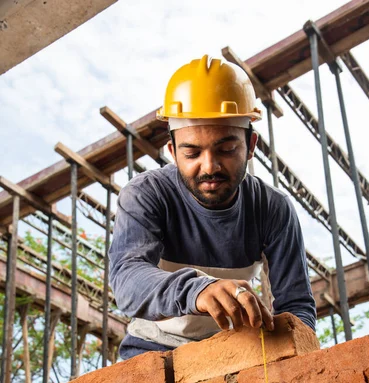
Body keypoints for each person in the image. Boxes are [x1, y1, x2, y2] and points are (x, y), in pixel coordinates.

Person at [109, 55, 316, 359]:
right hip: (152, 352)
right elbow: (127, 279)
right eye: (191, 153)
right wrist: (198, 290)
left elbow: (297, 307)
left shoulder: (273, 209)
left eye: (227, 149)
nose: (210, 167)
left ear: (251, 146)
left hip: (236, 354)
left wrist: (294, 355)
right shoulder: (146, 194)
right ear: (172, 151)